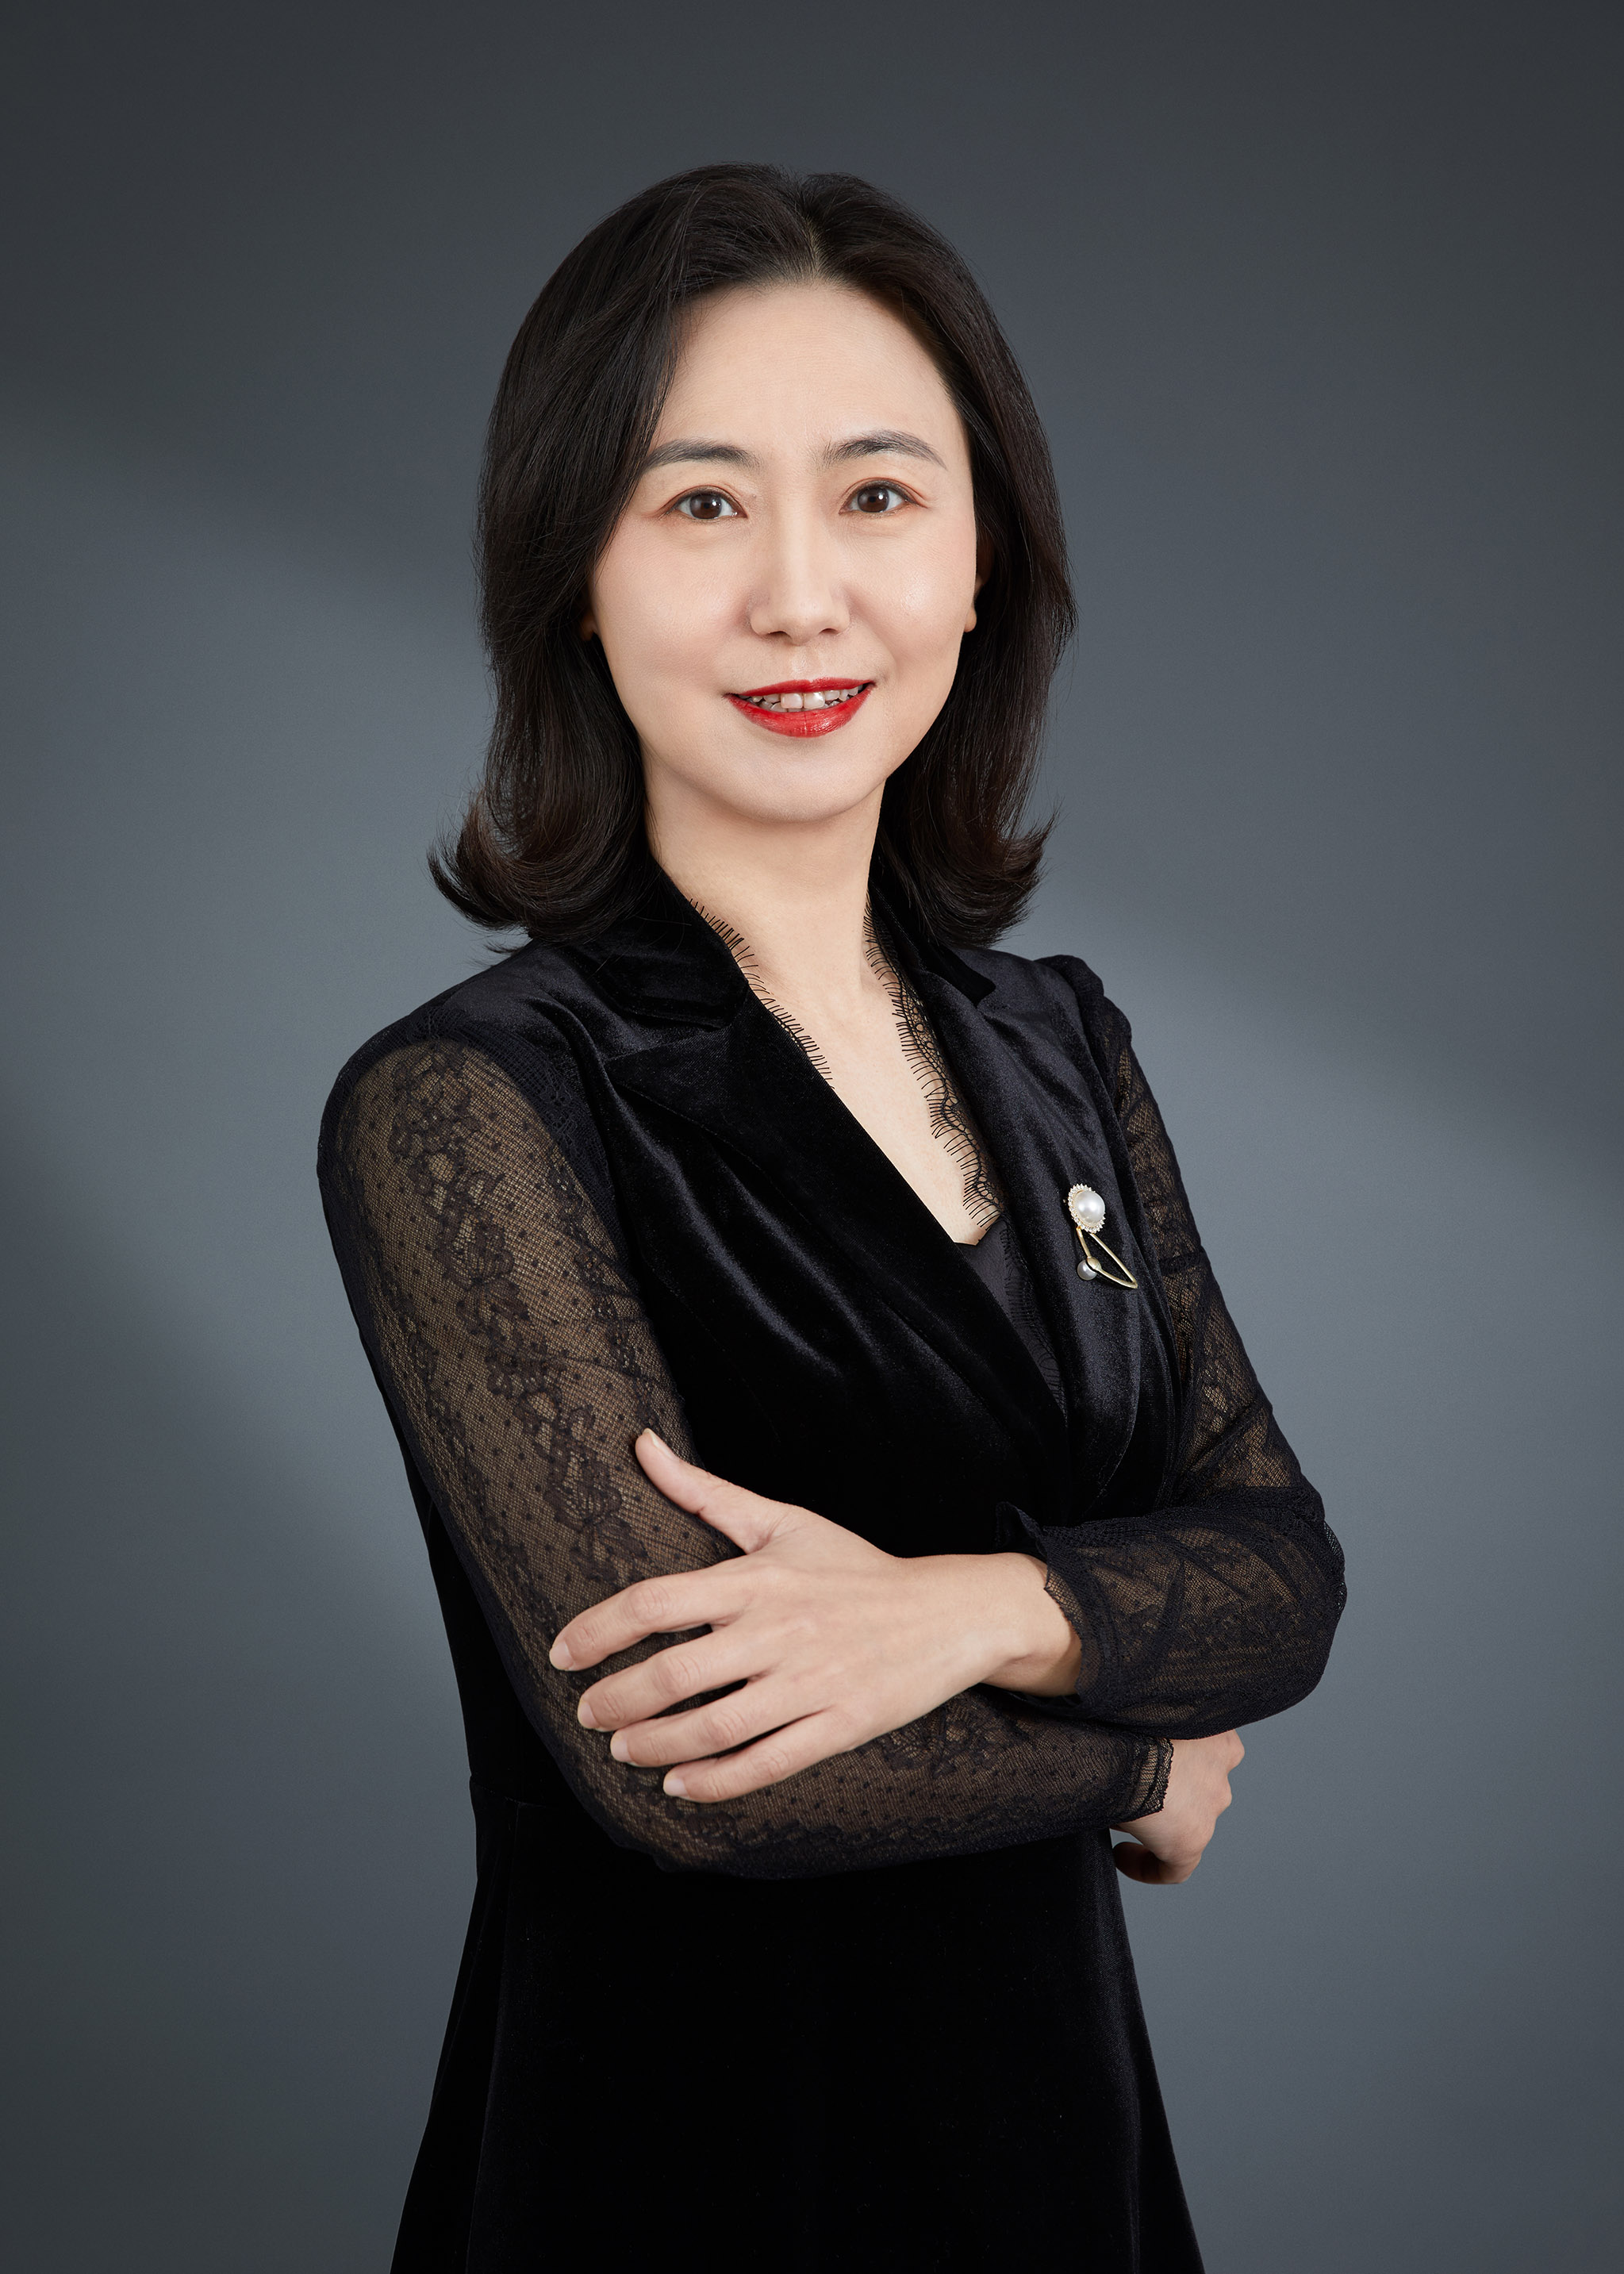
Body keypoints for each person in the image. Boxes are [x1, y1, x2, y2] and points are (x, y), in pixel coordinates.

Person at [318, 163, 1345, 2273]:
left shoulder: (1059, 1040)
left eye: (878, 495)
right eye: (701, 503)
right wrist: (1137, 1762)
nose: (803, 595)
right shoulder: (472, 1100)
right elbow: (706, 1778)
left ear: (981, 563)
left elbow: (1281, 1564)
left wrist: (970, 1610)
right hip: (670, 2175)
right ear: (575, 578)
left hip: (1060, 2165)